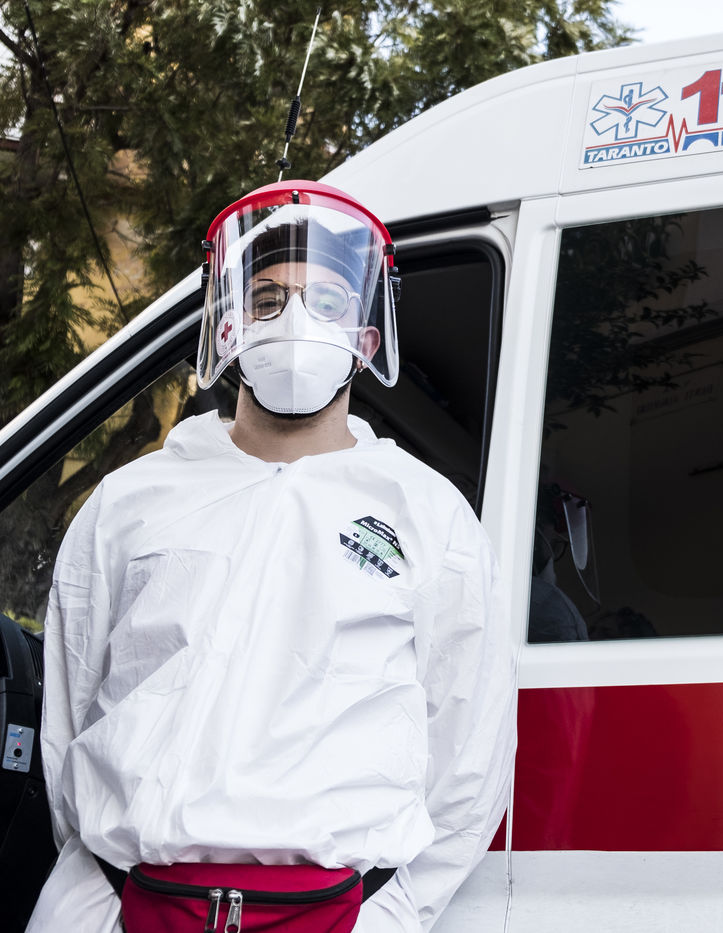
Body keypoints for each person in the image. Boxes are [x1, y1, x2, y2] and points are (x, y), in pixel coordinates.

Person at [26, 181, 517, 933]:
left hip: (337, 915)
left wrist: (392, 911)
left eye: (327, 301)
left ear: (367, 340)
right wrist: (99, 895)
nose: (294, 318)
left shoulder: (427, 515)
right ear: (228, 328)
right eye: (266, 299)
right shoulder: (131, 501)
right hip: (122, 905)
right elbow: (67, 714)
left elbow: (469, 755)